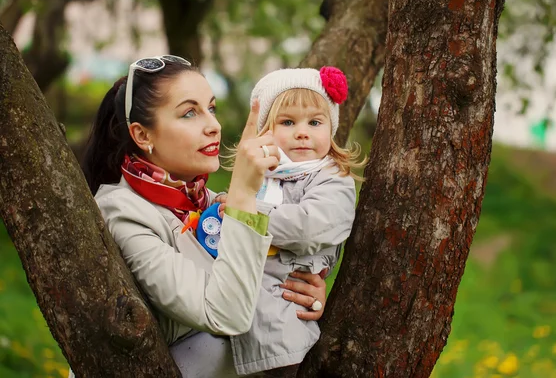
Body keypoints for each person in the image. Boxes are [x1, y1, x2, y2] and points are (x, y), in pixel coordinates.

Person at [77, 55, 328, 378]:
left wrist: (302, 290)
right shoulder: (123, 213)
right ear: (142, 136)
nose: (213, 125)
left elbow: (256, 276)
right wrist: (242, 195)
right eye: (189, 113)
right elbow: (228, 314)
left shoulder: (203, 201)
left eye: (212, 108)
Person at [224, 67, 364, 376]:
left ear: (331, 128)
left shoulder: (332, 179)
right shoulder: (263, 176)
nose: (302, 132)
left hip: (280, 322)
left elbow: (306, 227)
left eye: (315, 122)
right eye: (288, 122)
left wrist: (243, 209)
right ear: (266, 132)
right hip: (238, 309)